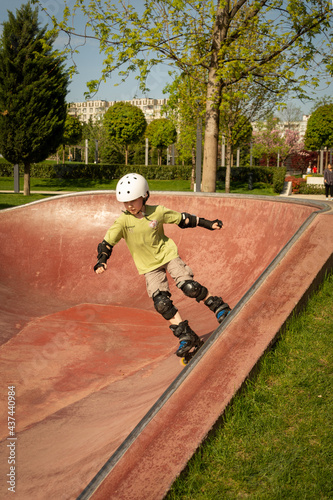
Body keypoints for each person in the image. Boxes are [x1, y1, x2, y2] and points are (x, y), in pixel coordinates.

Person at [94, 173, 231, 357]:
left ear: (144, 196)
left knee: (190, 287)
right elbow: (107, 243)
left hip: (168, 255)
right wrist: (102, 260)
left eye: (133, 201)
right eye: (125, 202)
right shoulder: (123, 221)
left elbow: (183, 219)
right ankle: (186, 336)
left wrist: (209, 223)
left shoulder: (157, 212)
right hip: (149, 267)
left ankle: (219, 307)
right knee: (161, 303)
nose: (129, 206)